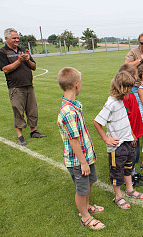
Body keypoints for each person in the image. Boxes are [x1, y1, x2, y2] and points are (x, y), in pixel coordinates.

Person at [57, 67, 105, 230]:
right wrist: (83, 163)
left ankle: (87, 207)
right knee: (81, 189)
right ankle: (85, 217)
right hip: (79, 161)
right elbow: (74, 141)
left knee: (89, 183)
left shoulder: (75, 105)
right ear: (77, 85)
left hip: (86, 157)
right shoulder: (68, 112)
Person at [94, 71, 143, 210]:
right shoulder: (111, 103)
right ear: (122, 87)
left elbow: (125, 120)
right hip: (117, 146)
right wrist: (106, 138)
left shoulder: (121, 101)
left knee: (128, 168)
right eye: (129, 87)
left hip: (127, 142)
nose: (130, 90)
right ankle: (118, 196)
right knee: (117, 172)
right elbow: (97, 122)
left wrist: (132, 135)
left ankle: (129, 190)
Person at [0, 28, 46, 145]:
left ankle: (33, 131)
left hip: (29, 85)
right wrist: (19, 61)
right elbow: (5, 69)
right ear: (7, 38)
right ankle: (20, 136)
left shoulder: (23, 50)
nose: (17, 40)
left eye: (18, 37)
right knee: (18, 110)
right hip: (15, 87)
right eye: (14, 38)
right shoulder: (2, 52)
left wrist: (27, 60)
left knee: (32, 110)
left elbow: (33, 67)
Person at [118, 64, 143, 187]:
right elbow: (125, 118)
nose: (137, 77)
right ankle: (129, 176)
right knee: (130, 155)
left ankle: (133, 172)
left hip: (136, 130)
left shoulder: (131, 94)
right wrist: (132, 134)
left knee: (135, 154)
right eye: (135, 75)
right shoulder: (124, 97)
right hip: (131, 133)